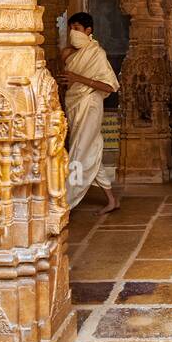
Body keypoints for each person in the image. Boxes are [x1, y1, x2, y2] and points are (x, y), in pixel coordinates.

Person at [60, 12, 120, 214]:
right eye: (71, 29)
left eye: (77, 29)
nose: (73, 33)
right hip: (74, 104)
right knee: (90, 150)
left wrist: (79, 78)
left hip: (90, 103)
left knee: (79, 151)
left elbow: (110, 86)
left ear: (88, 31)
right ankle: (112, 200)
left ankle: (67, 200)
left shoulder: (97, 53)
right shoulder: (69, 53)